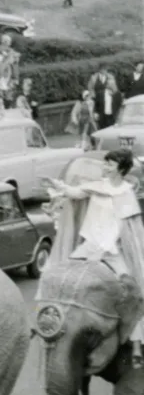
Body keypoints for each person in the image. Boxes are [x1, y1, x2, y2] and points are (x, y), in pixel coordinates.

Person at [42, 148, 144, 367]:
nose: (105, 167)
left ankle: (136, 344)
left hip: (112, 250)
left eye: (110, 164)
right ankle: (51, 319)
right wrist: (57, 185)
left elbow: (125, 229)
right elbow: (74, 192)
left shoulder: (126, 194)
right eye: (105, 163)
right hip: (89, 246)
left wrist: (105, 247)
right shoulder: (98, 186)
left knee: (133, 291)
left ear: (121, 168)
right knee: (60, 277)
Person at [0, 34, 20, 104]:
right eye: (9, 41)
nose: (10, 43)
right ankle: (5, 101)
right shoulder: (0, 49)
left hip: (8, 71)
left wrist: (14, 56)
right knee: (3, 87)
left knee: (7, 88)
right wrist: (11, 56)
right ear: (5, 42)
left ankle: (7, 100)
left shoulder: (9, 50)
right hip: (4, 71)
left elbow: (14, 59)